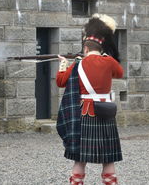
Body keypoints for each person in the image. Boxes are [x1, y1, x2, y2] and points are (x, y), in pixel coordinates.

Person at [56, 14, 124, 185]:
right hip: (105, 113)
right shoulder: (109, 61)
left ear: (85, 48)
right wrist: (105, 57)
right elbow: (119, 73)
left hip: (85, 114)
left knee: (79, 160)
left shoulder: (78, 64)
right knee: (108, 159)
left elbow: (60, 82)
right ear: (100, 47)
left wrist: (64, 64)